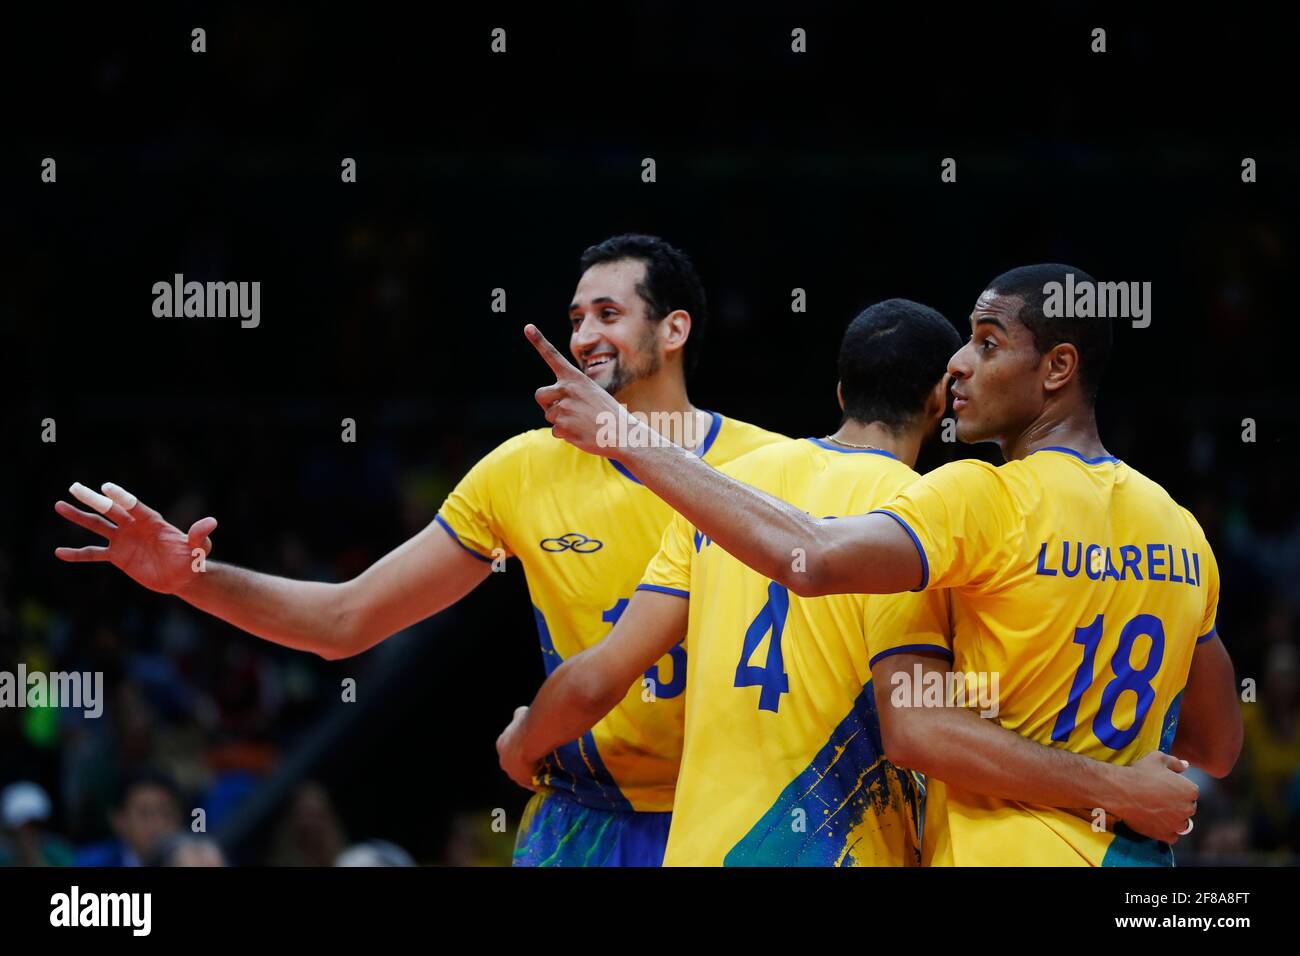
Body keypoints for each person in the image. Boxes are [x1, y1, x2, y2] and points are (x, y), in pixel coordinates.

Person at [54, 234, 784, 867]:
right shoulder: (522, 470)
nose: (584, 335)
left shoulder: (772, 468)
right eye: (575, 318)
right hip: (583, 819)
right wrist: (193, 579)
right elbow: (345, 621)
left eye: (608, 314)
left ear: (675, 329)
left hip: (729, 812)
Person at [523, 263, 1243, 865]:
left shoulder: (968, 501)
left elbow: (820, 571)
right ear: (932, 403)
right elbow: (1215, 743)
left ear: (1058, 368)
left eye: (987, 343)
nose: (961, 361)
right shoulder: (1180, 530)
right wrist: (1114, 777)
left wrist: (624, 436)